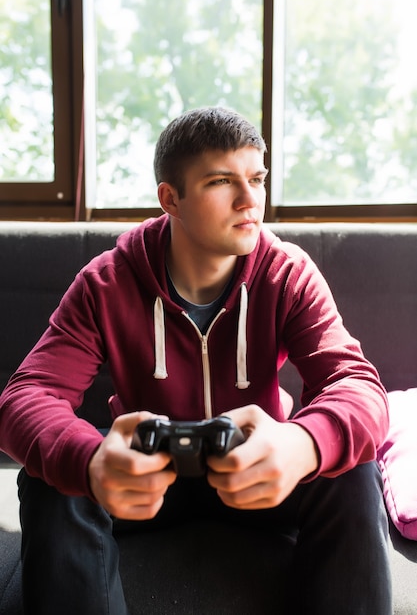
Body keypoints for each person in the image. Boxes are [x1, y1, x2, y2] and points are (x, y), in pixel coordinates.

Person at [0, 107, 391, 614]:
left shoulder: (287, 273)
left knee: (353, 466)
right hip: (147, 484)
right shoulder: (107, 282)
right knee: (49, 476)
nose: (250, 200)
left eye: (257, 178)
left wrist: (301, 443)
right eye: (222, 180)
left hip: (256, 475)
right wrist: (92, 461)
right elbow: (28, 395)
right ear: (171, 199)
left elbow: (356, 384)